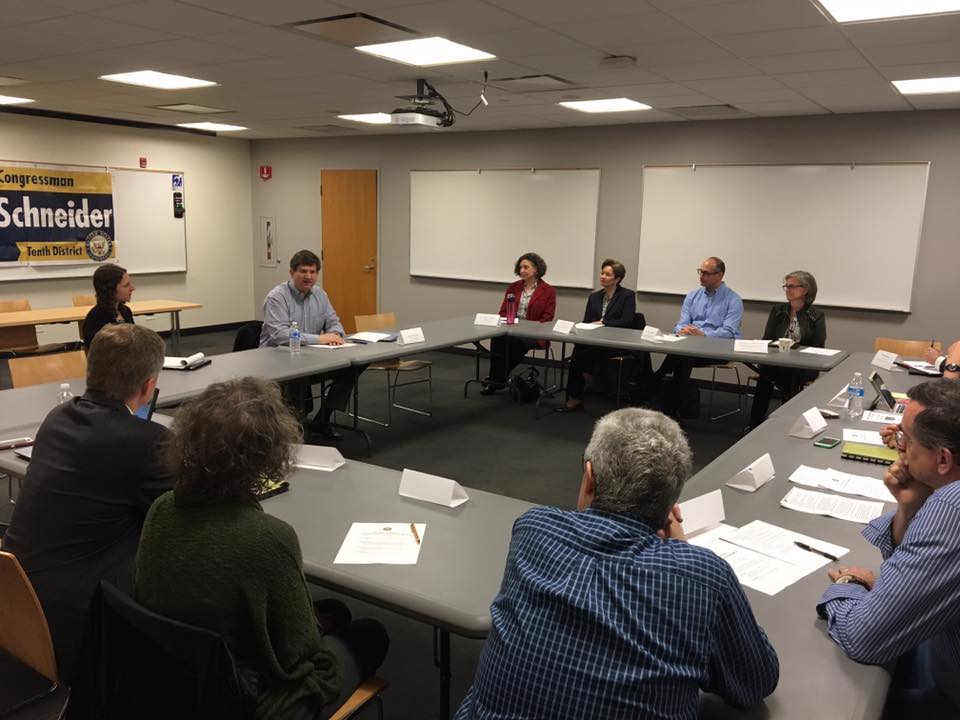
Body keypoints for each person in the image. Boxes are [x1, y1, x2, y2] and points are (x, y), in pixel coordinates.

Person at [454, 408, 779, 719]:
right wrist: (682, 550)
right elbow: (755, 682)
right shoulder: (703, 577)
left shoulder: (533, 530)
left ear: (589, 477)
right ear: (672, 500)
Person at [135, 377, 389, 720]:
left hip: (170, 681)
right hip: (247, 703)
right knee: (370, 634)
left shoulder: (161, 508)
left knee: (335, 611)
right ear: (267, 457)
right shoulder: (269, 539)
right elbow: (302, 653)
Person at [4, 324, 171, 685]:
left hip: (16, 602)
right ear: (148, 386)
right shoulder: (148, 441)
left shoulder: (57, 418)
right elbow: (189, 509)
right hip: (76, 628)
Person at [816, 379, 960, 718]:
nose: (899, 449)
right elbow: (915, 577)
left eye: (905, 440)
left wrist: (849, 585)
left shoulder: (951, 509)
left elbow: (864, 638)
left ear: (942, 459)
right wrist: (910, 506)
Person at [260, 249, 357, 439]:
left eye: (313, 272)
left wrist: (336, 334)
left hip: (310, 356)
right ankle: (293, 429)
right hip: (278, 360)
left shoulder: (320, 294)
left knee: (351, 368)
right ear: (291, 272)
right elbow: (280, 335)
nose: (308, 276)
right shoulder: (277, 297)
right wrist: (320, 339)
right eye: (303, 271)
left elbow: (333, 321)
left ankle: (323, 419)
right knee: (298, 380)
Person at [652, 256, 743, 417]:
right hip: (689, 345)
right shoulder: (692, 296)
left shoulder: (733, 300)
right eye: (700, 272)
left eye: (706, 273)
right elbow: (680, 324)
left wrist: (703, 335)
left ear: (719, 275)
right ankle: (673, 406)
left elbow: (728, 331)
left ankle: (653, 384)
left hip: (718, 349)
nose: (701, 276)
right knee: (682, 354)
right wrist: (683, 330)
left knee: (681, 355)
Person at [557, 259, 638, 412]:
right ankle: (577, 394)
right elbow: (587, 321)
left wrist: (604, 323)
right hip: (595, 341)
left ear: (617, 279)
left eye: (607, 274)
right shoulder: (594, 296)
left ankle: (578, 393)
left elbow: (627, 321)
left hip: (616, 343)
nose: (602, 277)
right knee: (578, 351)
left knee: (579, 357)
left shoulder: (627, 296)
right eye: (602, 273)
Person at [748, 270, 827, 427]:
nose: (787, 290)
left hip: (802, 366)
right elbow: (767, 339)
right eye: (786, 286)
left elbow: (818, 346)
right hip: (776, 362)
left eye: (792, 286)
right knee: (765, 375)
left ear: (805, 289)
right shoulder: (778, 311)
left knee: (792, 379)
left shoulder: (816, 315)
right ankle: (754, 424)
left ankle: (787, 424)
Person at [480, 252, 556, 394]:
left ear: (537, 269)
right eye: (520, 267)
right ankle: (497, 379)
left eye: (526, 267)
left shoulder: (548, 291)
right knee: (497, 339)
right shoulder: (513, 287)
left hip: (534, 333)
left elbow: (547, 317)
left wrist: (526, 327)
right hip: (511, 329)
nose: (522, 270)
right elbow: (503, 311)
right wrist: (510, 324)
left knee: (517, 344)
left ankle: (496, 380)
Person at [82, 263, 135, 348]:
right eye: (126, 285)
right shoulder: (95, 320)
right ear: (110, 290)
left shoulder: (126, 311)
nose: (132, 288)